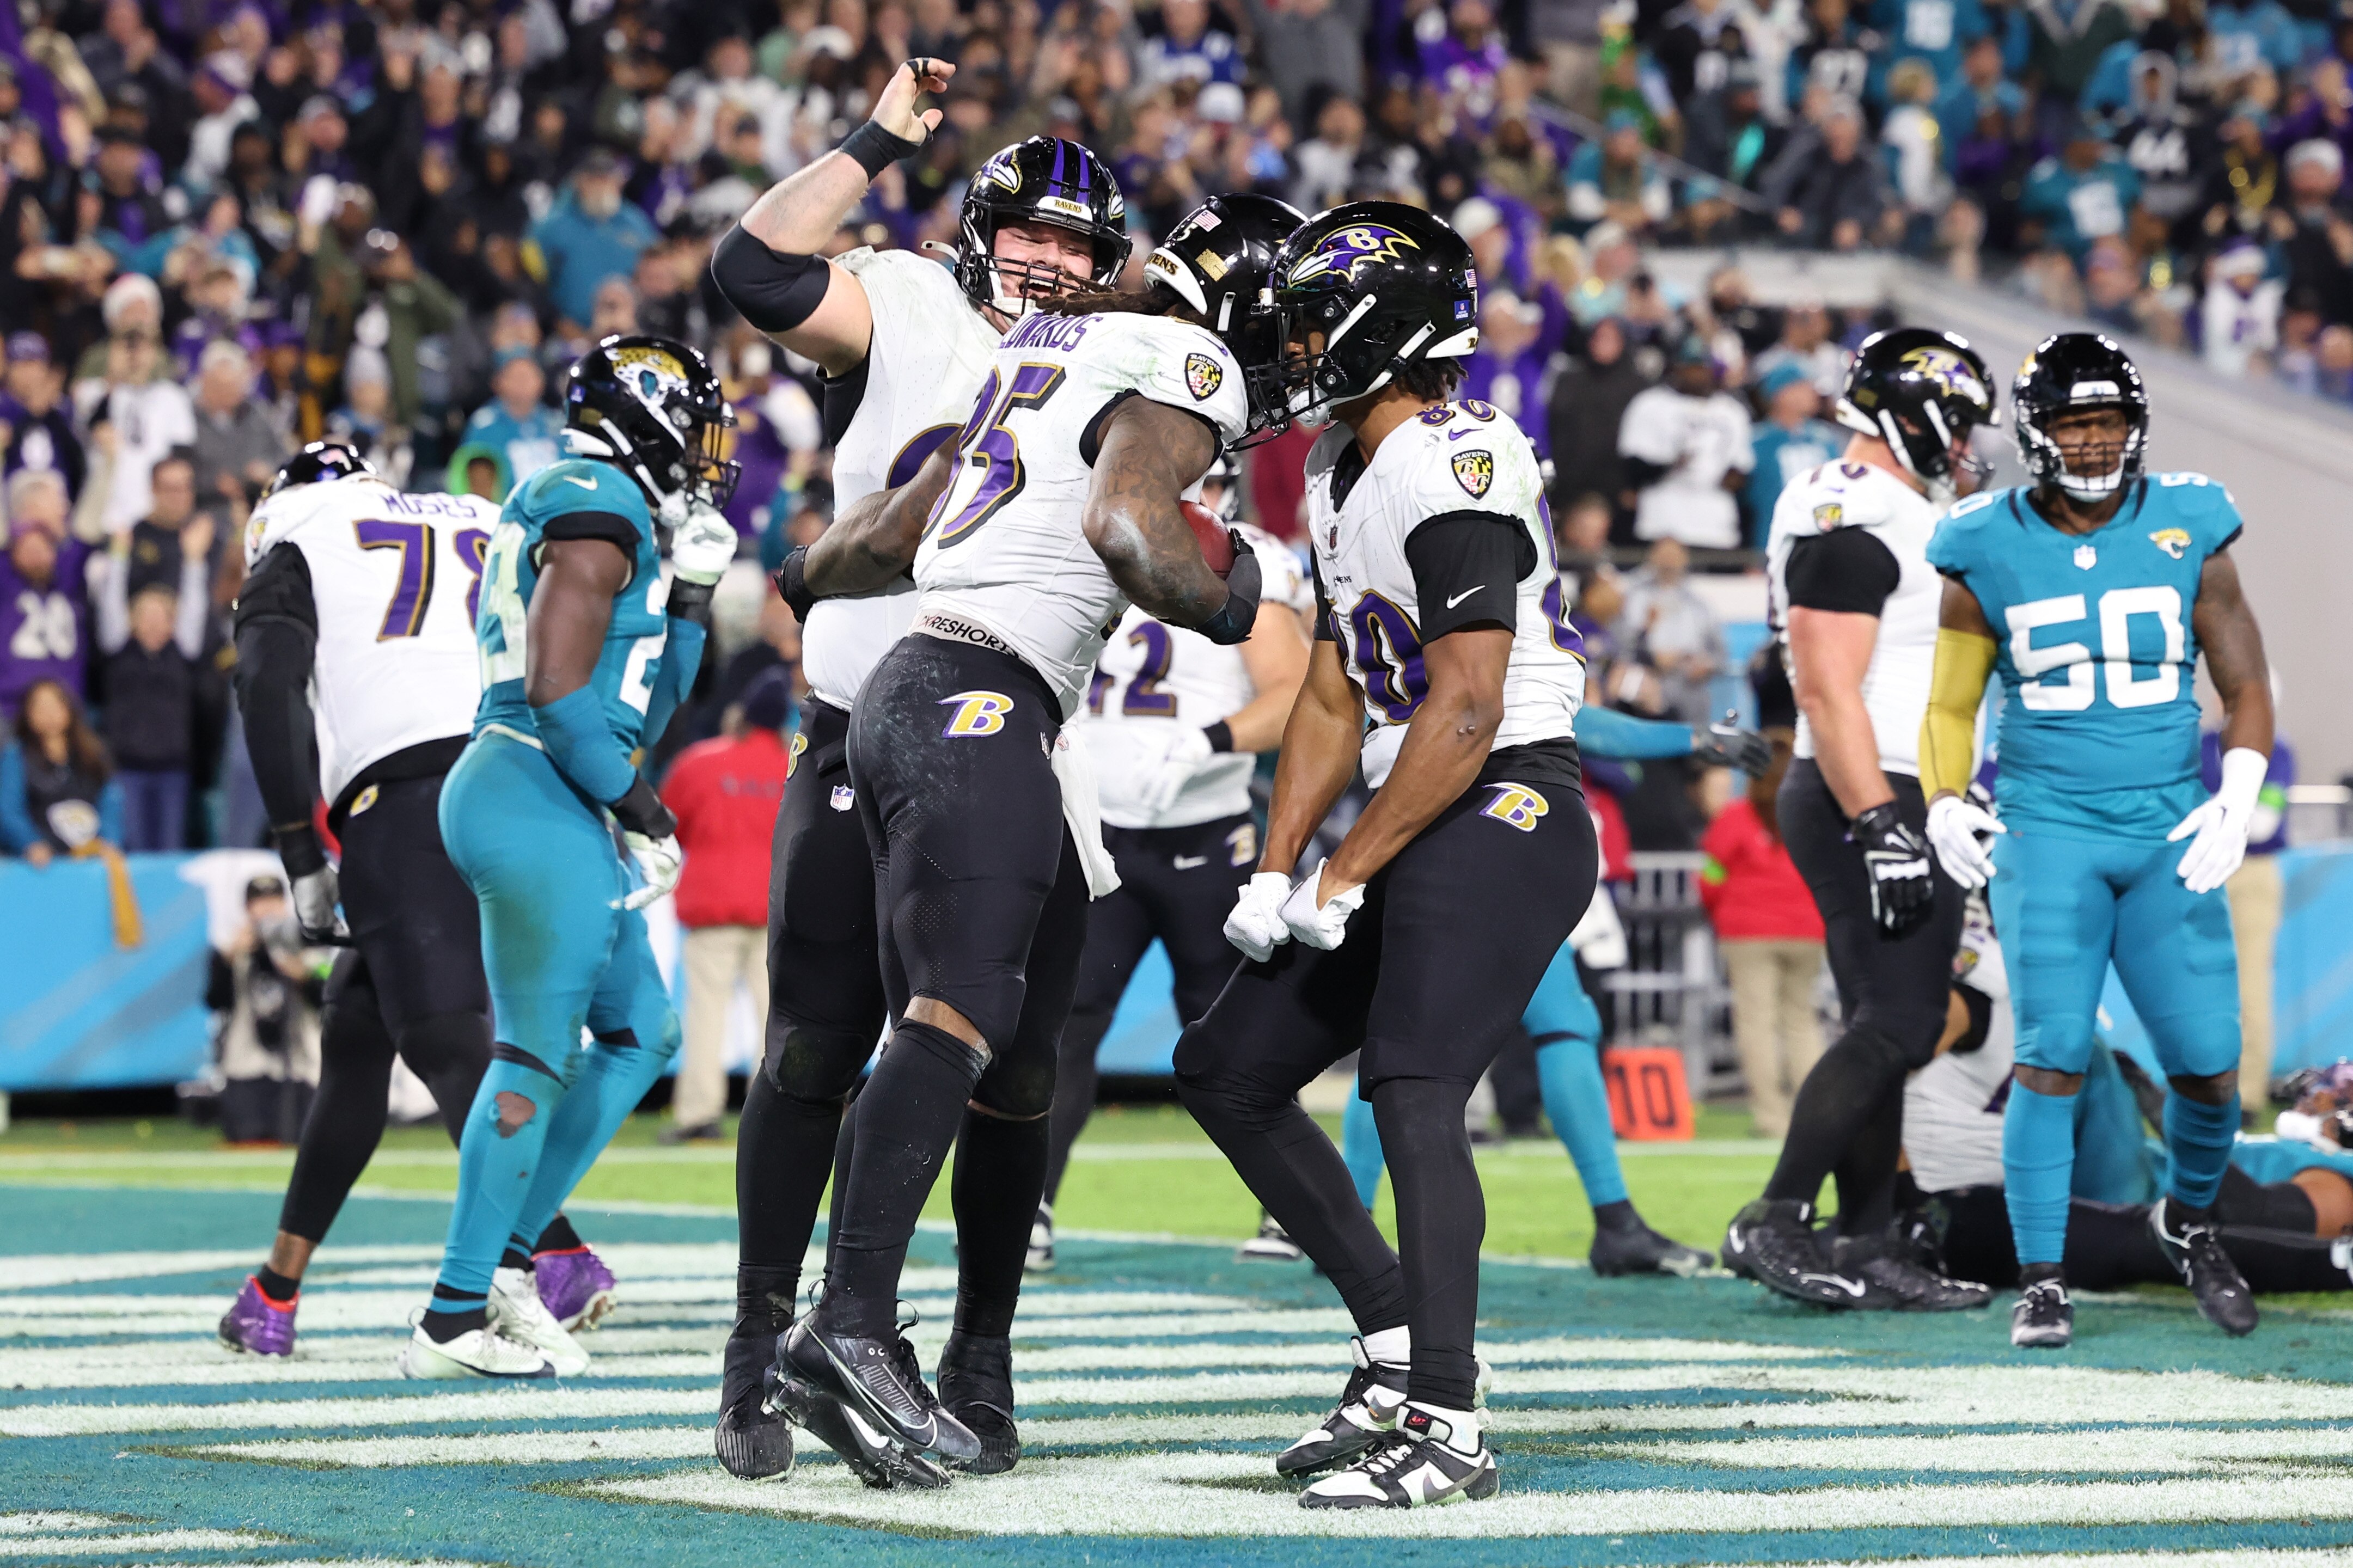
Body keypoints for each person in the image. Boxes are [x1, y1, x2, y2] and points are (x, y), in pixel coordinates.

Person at [770, 186, 1274, 1485]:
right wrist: (1233, 602)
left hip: (929, 691)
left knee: (1027, 1049)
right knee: (959, 1005)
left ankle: (974, 1374)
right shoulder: (1181, 353)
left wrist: (797, 582)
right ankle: (851, 1325)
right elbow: (1127, 533)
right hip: (980, 696)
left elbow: (890, 534)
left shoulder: (1038, 350)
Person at [706, 59, 1135, 1483]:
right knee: (819, 1043)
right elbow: (757, 269)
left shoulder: (1118, 359)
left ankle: (978, 1354)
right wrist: (877, 140)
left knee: (1018, 1067)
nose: (1053, 260)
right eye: (1034, 230)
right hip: (857, 732)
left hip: (1018, 738)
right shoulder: (909, 299)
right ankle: (764, 1343)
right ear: (980, 229)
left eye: (1080, 245)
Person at [1172, 202, 1590, 1511]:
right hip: (1424, 794)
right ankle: (1397, 1340)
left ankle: (1451, 1421)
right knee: (1226, 1068)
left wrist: (1342, 873)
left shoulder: (1451, 459)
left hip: (1507, 793)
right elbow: (1337, 691)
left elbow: (1464, 707)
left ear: (1383, 325)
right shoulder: (1346, 468)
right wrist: (1272, 861)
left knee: (1411, 1086)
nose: (1291, 344)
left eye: (1308, 319)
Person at [215, 442, 609, 1358]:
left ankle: (554, 1249)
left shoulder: (303, 528)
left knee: (441, 1035)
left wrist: (293, 845)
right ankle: (274, 1291)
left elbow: (266, 679)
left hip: (409, 792)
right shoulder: (477, 515)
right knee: (359, 1034)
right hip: (526, 781)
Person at [1919, 332, 2274, 1348]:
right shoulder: (1982, 538)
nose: (2093, 441)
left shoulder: (2189, 521)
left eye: (2109, 421)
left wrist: (2236, 790)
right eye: (2075, 423)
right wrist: (1946, 798)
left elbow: (2247, 686)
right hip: (2048, 825)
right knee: (2053, 1053)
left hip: (2167, 823)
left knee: (2209, 1064)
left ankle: (2192, 1221)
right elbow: (1949, 706)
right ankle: (2042, 1277)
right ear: (2037, 431)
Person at [400, 335, 735, 1380]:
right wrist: (643, 808)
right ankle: (454, 1316)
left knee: (643, 1030)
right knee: (536, 1053)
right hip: (530, 784)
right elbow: (555, 688)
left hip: (550, 787)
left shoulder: (608, 510)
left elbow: (641, 705)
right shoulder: (594, 497)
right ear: (643, 414)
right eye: (690, 422)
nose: (702, 450)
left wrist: (687, 601)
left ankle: (503, 1261)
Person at [1033, 199, 1313, 1275]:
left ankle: (1287, 1209)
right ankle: (1033, 1209)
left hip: (1200, 835)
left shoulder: (1252, 558)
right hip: (1097, 828)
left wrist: (1206, 736)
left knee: (1240, 1031)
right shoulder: (1101, 532)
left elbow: (1289, 692)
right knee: (1063, 1031)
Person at [1726, 327, 1997, 1313]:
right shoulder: (1855, 507)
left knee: (1889, 1018)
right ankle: (1779, 1216)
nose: (1964, 440)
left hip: (1883, 781)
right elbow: (1829, 688)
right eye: (1957, 418)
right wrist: (1881, 819)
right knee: (1905, 1019)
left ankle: (1870, 1237)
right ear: (1909, 408)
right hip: (1866, 782)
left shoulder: (1878, 503)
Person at [1338, 703, 1764, 1273]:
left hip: (1414, 824)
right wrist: (1689, 735)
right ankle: (1612, 1221)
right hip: (1482, 825)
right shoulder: (1484, 623)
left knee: (1430, 1029)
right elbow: (1565, 715)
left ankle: (1347, 1222)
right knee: (1524, 1026)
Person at [1905, 908, 2353, 1300]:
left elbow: (2258, 1214)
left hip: (2126, 1200)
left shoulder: (2331, 1174)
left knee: (2084, 1054)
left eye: (2338, 1094)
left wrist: (2161, 1112)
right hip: (2110, 1175)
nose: (2318, 1095)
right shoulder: (2277, 1150)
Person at [657, 667, 793, 1144]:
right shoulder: (793, 768)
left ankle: (698, 1114)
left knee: (705, 1014)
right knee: (776, 1018)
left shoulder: (699, 763)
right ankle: (777, 1114)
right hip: (776, 911)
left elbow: (667, 825)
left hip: (712, 907)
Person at [1700, 728, 1827, 1140]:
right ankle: (1814, 1116)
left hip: (1747, 933)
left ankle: (1772, 1118)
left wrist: (1721, 908)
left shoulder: (1736, 817)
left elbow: (1710, 875)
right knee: (1801, 1022)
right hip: (1807, 930)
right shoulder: (1811, 813)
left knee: (1757, 1024)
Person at [93, 513, 212, 851]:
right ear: (132, 619)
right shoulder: (120, 648)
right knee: (132, 844)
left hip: (172, 768)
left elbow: (195, 608)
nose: (154, 624)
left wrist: (193, 560)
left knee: (169, 845)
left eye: (162, 616)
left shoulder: (182, 650)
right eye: (145, 615)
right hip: (127, 767)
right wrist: (118, 555)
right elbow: (110, 605)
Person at [2203, 725, 2293, 1111]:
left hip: (2250, 870)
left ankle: (2246, 1098)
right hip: (2202, 866)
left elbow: (2260, 825)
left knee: (2250, 988)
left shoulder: (2276, 750)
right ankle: (2200, 1089)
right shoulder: (2200, 746)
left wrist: (2207, 809)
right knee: (2199, 986)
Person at [209, 872, 328, 1145]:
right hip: (249, 1063)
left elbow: (326, 999)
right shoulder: (230, 949)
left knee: (306, 1136)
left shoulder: (306, 942)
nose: (267, 910)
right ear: (247, 909)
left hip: (300, 1065)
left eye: (274, 901)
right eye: (259, 903)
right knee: (248, 1135)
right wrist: (228, 961)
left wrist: (301, 973)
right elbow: (215, 1001)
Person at [1617, 334, 1753, 550]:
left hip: (1715, 525)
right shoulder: (1650, 404)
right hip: (1661, 523)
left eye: (1703, 368)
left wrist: (1722, 477)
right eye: (1691, 367)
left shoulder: (1732, 411)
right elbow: (1633, 469)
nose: (1698, 374)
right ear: (1676, 369)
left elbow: (1742, 469)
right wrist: (1671, 466)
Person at [0, 680, 124, 861]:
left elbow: (111, 801)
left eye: (54, 706)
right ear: (28, 715)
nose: (49, 714)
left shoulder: (94, 753)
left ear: (68, 709)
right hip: (43, 862)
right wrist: (30, 844)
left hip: (90, 857)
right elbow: (9, 809)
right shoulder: (16, 756)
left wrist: (109, 840)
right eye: (40, 708)